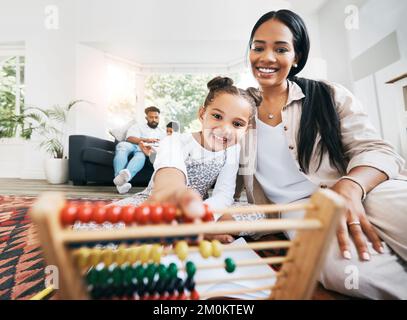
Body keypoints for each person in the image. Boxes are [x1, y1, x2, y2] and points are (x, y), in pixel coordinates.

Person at [225, 10, 406, 299]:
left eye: (281, 49)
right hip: (302, 210)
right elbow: (206, 159)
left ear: (296, 56)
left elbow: (377, 150)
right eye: (258, 47)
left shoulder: (328, 95)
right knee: (354, 274)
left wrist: (350, 188)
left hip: (365, 187)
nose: (267, 57)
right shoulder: (236, 108)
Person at [114, 76, 261, 220]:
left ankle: (201, 228)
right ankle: (203, 230)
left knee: (257, 213)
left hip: (201, 207)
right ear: (202, 114)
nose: (225, 129)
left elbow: (223, 194)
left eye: (237, 124)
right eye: (217, 116)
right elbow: (169, 177)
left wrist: (204, 215)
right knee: (108, 220)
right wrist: (180, 198)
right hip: (159, 203)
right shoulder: (175, 141)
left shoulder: (232, 150)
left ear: (246, 130)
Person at [113, 106, 165, 194]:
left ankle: (120, 184)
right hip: (132, 145)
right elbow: (130, 138)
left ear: (159, 118)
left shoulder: (162, 132)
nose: (154, 119)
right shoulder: (138, 127)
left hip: (144, 149)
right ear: (146, 118)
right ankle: (120, 180)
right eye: (151, 117)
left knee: (140, 157)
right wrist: (146, 140)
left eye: (156, 117)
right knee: (122, 146)